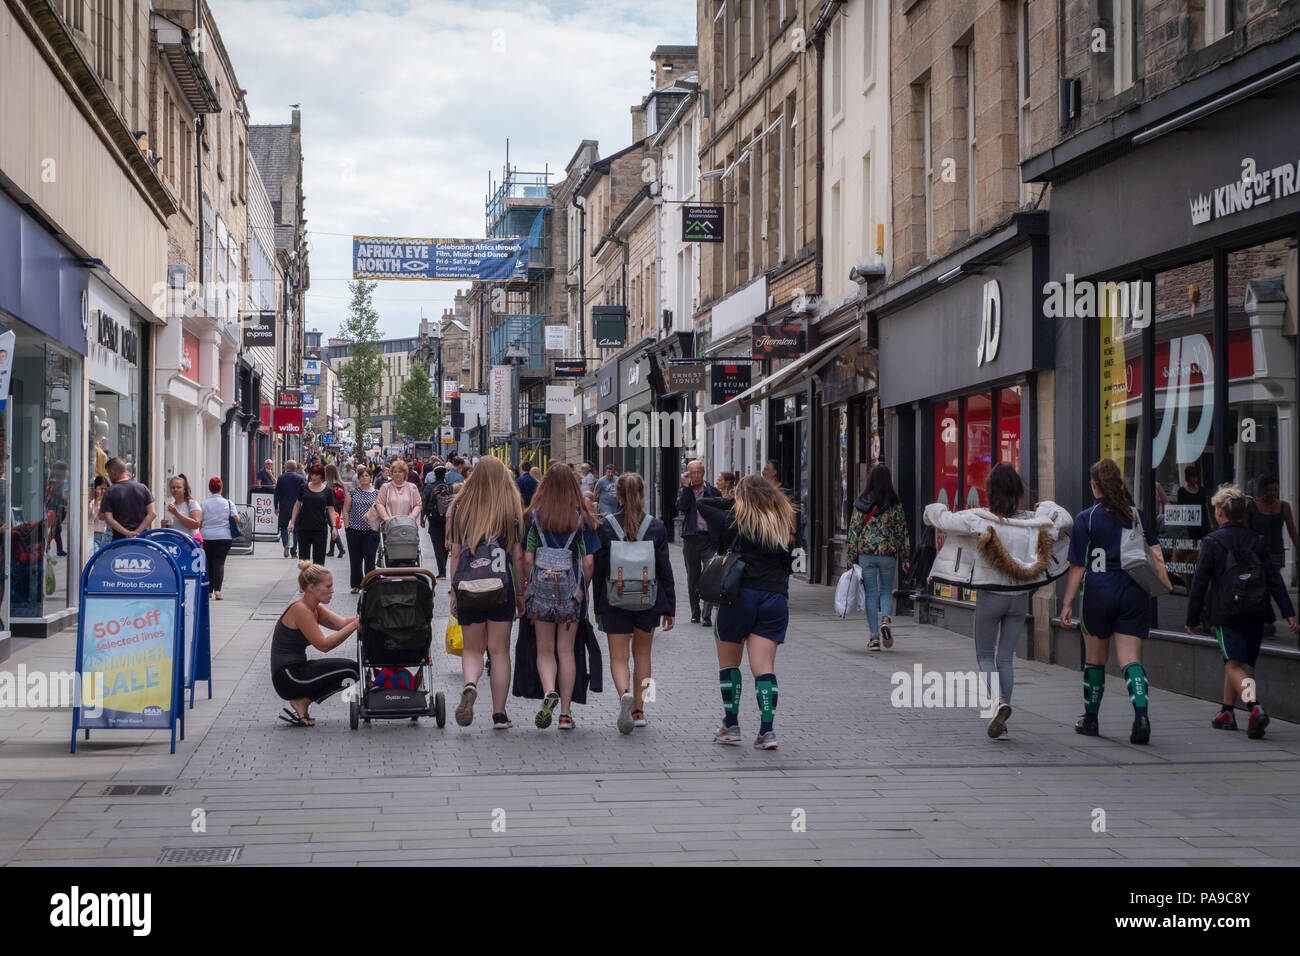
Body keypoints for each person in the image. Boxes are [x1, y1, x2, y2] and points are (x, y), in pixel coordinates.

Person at [926, 464, 1072, 738]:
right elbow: (1064, 518)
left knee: (984, 656)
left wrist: (933, 510)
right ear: (1018, 491)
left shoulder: (979, 519)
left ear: (990, 492)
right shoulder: (1032, 522)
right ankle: (1002, 716)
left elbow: (942, 520)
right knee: (1005, 657)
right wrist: (1046, 505)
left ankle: (998, 703)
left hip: (991, 597)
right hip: (1019, 600)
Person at [1060, 458, 1167, 745]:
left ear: (1095, 486)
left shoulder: (1087, 518)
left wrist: (1067, 602)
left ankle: (1091, 719)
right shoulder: (1138, 515)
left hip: (1098, 592)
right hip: (1134, 591)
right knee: (1131, 659)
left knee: (1094, 660)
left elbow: (1077, 566)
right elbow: (1154, 552)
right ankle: (1141, 715)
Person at [1186, 484, 1298, 738]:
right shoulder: (1257, 540)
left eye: (1216, 508)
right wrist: (1289, 613)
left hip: (1228, 614)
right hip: (1257, 612)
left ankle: (1254, 707)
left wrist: (1192, 618)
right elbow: (1275, 580)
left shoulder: (1212, 542)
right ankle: (1227, 711)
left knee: (1235, 666)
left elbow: (1199, 583)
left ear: (1221, 512)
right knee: (1234, 662)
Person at [698, 475, 796, 750]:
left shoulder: (736, 521)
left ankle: (731, 725)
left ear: (743, 499)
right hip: (774, 597)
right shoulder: (781, 523)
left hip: (739, 596)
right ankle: (767, 731)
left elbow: (703, 504)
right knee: (764, 667)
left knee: (729, 664)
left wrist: (733, 500)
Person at [446, 456, 527, 729]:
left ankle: (470, 684)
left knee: (472, 650)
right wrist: (521, 592)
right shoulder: (510, 508)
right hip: (501, 587)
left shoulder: (460, 507)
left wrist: (454, 591)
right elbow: (517, 554)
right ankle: (500, 713)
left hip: (469, 586)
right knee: (500, 651)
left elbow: (455, 553)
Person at [592, 472, 676, 733]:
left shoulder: (606, 527)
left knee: (618, 657)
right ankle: (640, 709)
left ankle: (624, 694)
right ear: (642, 494)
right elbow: (664, 569)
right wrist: (669, 606)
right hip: (648, 599)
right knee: (643, 656)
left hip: (614, 598)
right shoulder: (656, 526)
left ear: (617, 495)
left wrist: (597, 606)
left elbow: (598, 570)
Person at [523, 463, 602, 730]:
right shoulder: (581, 518)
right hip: (570, 594)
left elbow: (527, 557)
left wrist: (527, 583)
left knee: (545, 650)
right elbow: (589, 562)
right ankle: (566, 714)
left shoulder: (535, 517)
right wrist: (585, 589)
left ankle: (548, 692)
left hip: (542, 592)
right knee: (566, 651)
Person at [271, 562, 361, 726]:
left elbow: (341, 623)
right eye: (328, 586)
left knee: (354, 669)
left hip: (298, 670)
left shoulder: (314, 608)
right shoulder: (301, 610)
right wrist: (355, 625)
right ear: (311, 587)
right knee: (352, 670)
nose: (332, 590)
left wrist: (365, 618)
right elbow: (324, 645)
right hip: (288, 677)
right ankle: (302, 701)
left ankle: (303, 701)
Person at [846, 465, 910, 652]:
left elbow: (853, 531)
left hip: (866, 554)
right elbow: (902, 532)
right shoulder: (895, 505)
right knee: (886, 591)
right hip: (888, 554)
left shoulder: (861, 503)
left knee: (871, 594)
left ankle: (874, 638)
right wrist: (905, 556)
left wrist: (850, 557)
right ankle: (886, 620)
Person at [1247, 475, 1299, 634]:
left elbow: (1291, 529)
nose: (1272, 494)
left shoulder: (1283, 506)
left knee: (1271, 584)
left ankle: (1267, 619)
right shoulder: (1252, 506)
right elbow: (1245, 528)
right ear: (1262, 490)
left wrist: (1298, 548)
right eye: (1269, 490)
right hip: (1257, 552)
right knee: (1262, 584)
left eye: (1275, 490)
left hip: (1276, 552)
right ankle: (1267, 619)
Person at [676, 460, 722, 626]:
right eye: (692, 473)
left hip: (709, 539)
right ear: (687, 474)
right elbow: (682, 507)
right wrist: (686, 487)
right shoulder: (684, 491)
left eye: (698, 473)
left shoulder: (712, 491)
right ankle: (695, 612)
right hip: (691, 539)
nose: (696, 476)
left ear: (703, 473)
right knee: (693, 578)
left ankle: (706, 615)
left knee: (710, 575)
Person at [287, 463, 339, 566]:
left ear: (322, 475)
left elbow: (331, 509)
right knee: (303, 559)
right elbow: (297, 505)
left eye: (316, 474)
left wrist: (334, 527)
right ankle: (306, 580)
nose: (313, 477)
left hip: (320, 528)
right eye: (312, 474)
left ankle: (317, 581)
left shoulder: (328, 491)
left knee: (319, 559)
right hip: (304, 527)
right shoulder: (303, 487)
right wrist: (292, 522)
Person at [199, 477, 240, 599]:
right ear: (221, 488)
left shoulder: (204, 503)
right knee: (219, 563)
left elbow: (200, 522)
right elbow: (236, 518)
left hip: (207, 536)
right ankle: (218, 591)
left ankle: (209, 591)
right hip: (224, 536)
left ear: (209, 488)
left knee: (209, 563)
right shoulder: (228, 503)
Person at [342, 466, 379, 593]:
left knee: (370, 559)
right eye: (362, 476)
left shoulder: (377, 493)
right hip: (354, 530)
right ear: (358, 478)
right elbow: (345, 510)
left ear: (371, 477)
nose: (364, 478)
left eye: (367, 475)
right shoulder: (353, 492)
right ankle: (356, 584)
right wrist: (347, 527)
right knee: (355, 559)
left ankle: (370, 583)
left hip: (371, 531)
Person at [100, 457, 156, 541]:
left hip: (119, 541)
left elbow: (108, 518)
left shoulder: (110, 491)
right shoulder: (143, 488)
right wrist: (137, 532)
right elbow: (152, 513)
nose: (109, 477)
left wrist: (127, 533)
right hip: (142, 539)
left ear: (113, 472)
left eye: (108, 473)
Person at [421, 465, 452, 577]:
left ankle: (442, 571)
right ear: (444, 474)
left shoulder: (429, 487)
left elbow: (423, 503)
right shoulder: (449, 487)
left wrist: (422, 519)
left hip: (433, 519)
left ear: (434, 474)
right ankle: (443, 568)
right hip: (447, 519)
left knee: (437, 545)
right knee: (445, 544)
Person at [274, 461, 306, 558]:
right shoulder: (301, 479)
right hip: (297, 508)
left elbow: (277, 494)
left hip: (284, 507)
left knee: (283, 527)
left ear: (286, 467)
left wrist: (276, 507)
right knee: (295, 530)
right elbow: (304, 494)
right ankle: (293, 552)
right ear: (295, 468)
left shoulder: (281, 478)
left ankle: (285, 544)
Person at [374, 459, 422, 525]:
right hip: (390, 526)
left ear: (405, 473)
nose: (397, 474)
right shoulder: (385, 487)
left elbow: (418, 505)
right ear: (392, 473)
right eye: (395, 472)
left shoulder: (412, 487)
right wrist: (387, 519)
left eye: (400, 472)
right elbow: (379, 504)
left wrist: (411, 518)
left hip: (407, 526)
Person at [324, 464, 348, 559]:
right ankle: (331, 550)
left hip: (329, 508)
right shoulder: (340, 483)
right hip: (338, 508)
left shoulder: (327, 484)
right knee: (333, 528)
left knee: (333, 528)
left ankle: (341, 548)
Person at [89, 477, 111, 551]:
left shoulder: (109, 502)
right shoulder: (92, 502)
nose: (103, 491)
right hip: (95, 535)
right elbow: (90, 517)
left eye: (105, 489)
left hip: (107, 536)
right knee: (96, 559)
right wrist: (96, 501)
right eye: (101, 488)